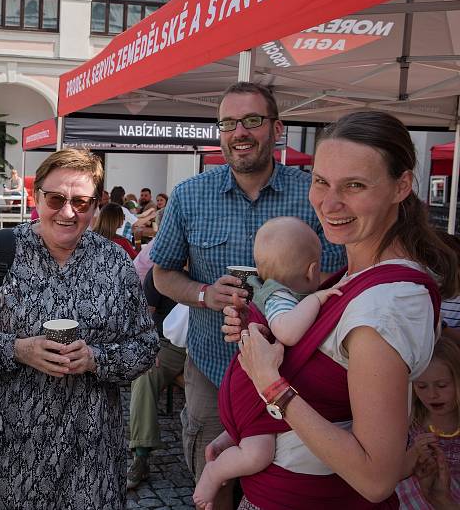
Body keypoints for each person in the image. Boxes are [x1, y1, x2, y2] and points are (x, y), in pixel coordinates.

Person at [220, 110, 460, 509]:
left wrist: (269, 384)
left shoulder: (387, 306)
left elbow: (375, 477)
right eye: (320, 181)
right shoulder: (355, 275)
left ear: (401, 186)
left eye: (354, 185)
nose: (329, 203)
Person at [150, 81, 346, 509]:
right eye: (228, 122)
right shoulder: (190, 193)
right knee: (213, 474)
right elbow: (163, 274)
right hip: (214, 368)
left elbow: (334, 273)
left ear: (277, 129)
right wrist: (204, 293)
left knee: (286, 483)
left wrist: (280, 301)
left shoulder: (312, 192)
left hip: (298, 369)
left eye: (252, 121)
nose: (240, 132)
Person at [0, 148, 158, 509]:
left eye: (80, 202)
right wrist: (19, 349)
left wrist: (96, 358)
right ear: (36, 197)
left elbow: (146, 346)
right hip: (6, 455)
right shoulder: (1, 251)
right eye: (56, 198)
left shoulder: (114, 262)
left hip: (89, 459)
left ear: (96, 206)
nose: (67, 212)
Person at [193, 216, 345, 508]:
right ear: (313, 270)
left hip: (253, 386)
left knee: (255, 435)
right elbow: (287, 332)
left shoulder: (273, 293)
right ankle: (214, 473)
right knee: (258, 453)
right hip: (252, 388)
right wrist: (318, 300)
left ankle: (229, 443)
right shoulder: (280, 298)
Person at [127, 266, 187, 489]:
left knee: (207, 384)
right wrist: (149, 349)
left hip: (205, 343)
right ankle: (141, 456)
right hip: (166, 343)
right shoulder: (161, 271)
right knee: (144, 374)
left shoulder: (209, 267)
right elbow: (144, 317)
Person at [396, 335, 460, 509]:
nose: (432, 395)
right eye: (422, 386)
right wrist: (414, 455)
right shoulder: (412, 417)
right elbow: (393, 474)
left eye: (442, 385)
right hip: (413, 488)